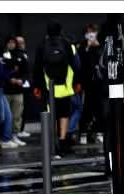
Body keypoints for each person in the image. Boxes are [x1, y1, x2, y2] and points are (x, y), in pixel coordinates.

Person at [33, 21, 80, 156]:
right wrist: (77, 82)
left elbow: (37, 67)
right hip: (65, 86)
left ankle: (52, 143)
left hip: (48, 86)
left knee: (51, 115)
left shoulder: (42, 45)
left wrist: (37, 86)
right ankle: (63, 140)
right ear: (60, 30)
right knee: (64, 115)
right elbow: (75, 65)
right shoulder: (66, 44)